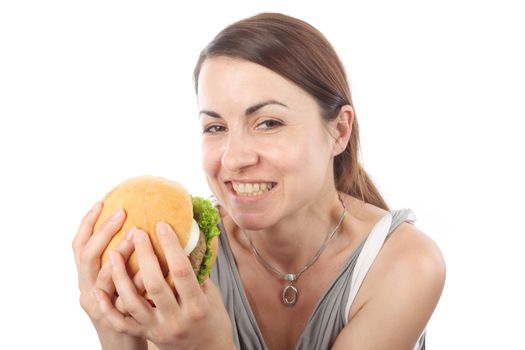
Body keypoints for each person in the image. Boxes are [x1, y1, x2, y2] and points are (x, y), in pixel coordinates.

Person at [73, 12, 445, 350]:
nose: (233, 158)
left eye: (268, 123)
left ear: (339, 130)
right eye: (215, 127)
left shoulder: (407, 264)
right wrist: (120, 337)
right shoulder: (183, 260)